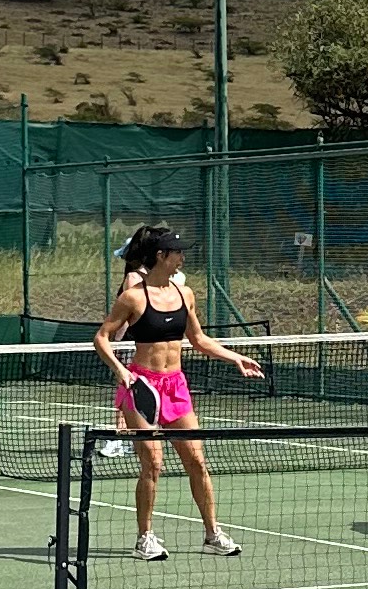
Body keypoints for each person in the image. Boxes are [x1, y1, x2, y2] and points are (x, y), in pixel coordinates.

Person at [94, 224, 263, 562]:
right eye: (178, 252)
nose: (183, 257)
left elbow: (199, 340)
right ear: (162, 256)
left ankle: (212, 533)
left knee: (197, 460)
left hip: (176, 387)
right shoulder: (133, 296)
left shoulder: (185, 294)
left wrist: (236, 358)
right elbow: (102, 337)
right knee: (152, 464)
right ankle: (145, 537)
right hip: (141, 386)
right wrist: (122, 370)